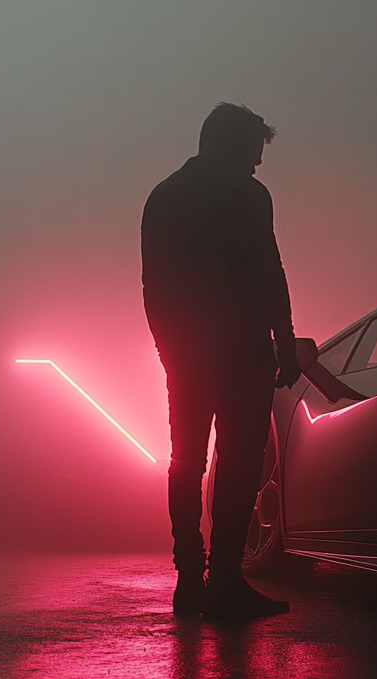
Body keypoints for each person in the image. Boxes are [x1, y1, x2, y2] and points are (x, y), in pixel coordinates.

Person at [141, 102, 302, 619]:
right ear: (234, 145)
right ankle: (227, 580)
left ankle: (189, 579)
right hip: (243, 349)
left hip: (186, 350)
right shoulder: (249, 196)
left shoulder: (161, 196)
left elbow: (153, 286)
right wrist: (286, 341)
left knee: (185, 459)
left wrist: (169, 350)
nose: (257, 166)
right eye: (254, 154)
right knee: (237, 462)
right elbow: (268, 271)